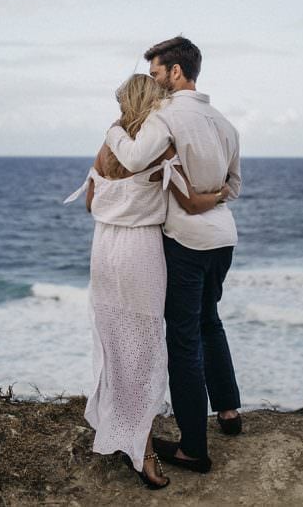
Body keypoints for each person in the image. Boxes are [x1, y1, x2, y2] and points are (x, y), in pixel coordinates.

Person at [64, 73, 230, 489]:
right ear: (155, 104)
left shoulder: (107, 147)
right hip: (141, 253)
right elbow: (191, 202)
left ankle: (119, 426)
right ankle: (142, 448)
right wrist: (222, 193)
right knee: (145, 349)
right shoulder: (163, 151)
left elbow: (90, 203)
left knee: (114, 342)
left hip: (104, 252)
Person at [103, 36, 242, 475]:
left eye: (158, 72)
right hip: (224, 239)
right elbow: (234, 187)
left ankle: (193, 449)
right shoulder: (224, 123)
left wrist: (112, 131)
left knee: (183, 340)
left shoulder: (166, 115)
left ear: (175, 72)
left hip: (186, 241)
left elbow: (133, 157)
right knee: (209, 320)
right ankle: (229, 411)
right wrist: (212, 195)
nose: (156, 80)